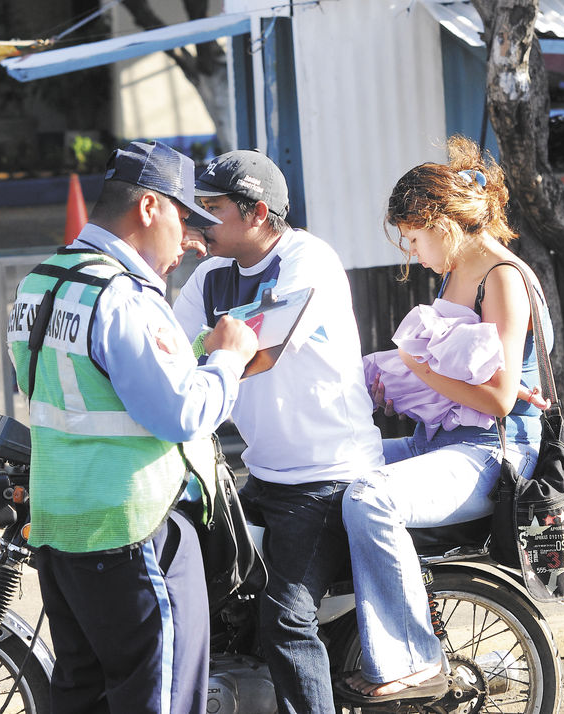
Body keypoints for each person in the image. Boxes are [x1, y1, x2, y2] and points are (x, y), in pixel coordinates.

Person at [6, 140, 258, 714]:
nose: (189, 241)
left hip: (58, 529)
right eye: (183, 219)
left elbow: (54, 389)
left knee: (82, 695)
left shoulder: (39, 283)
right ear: (150, 208)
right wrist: (228, 358)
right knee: (159, 699)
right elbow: (182, 412)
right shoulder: (121, 296)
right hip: (135, 530)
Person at [336, 135, 553, 705]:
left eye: (413, 237)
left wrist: (413, 367)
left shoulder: (501, 277)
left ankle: (412, 659)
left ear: (442, 223)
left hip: (490, 451)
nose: (413, 252)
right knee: (328, 469)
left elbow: (500, 398)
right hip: (443, 441)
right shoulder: (459, 272)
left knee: (368, 497)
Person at [172, 150, 384, 714]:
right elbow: (168, 350)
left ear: (258, 212)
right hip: (264, 472)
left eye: (211, 210)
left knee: (285, 619)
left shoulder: (307, 260)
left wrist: (209, 353)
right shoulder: (211, 275)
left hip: (327, 476)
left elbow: (260, 350)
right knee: (214, 594)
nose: (196, 223)